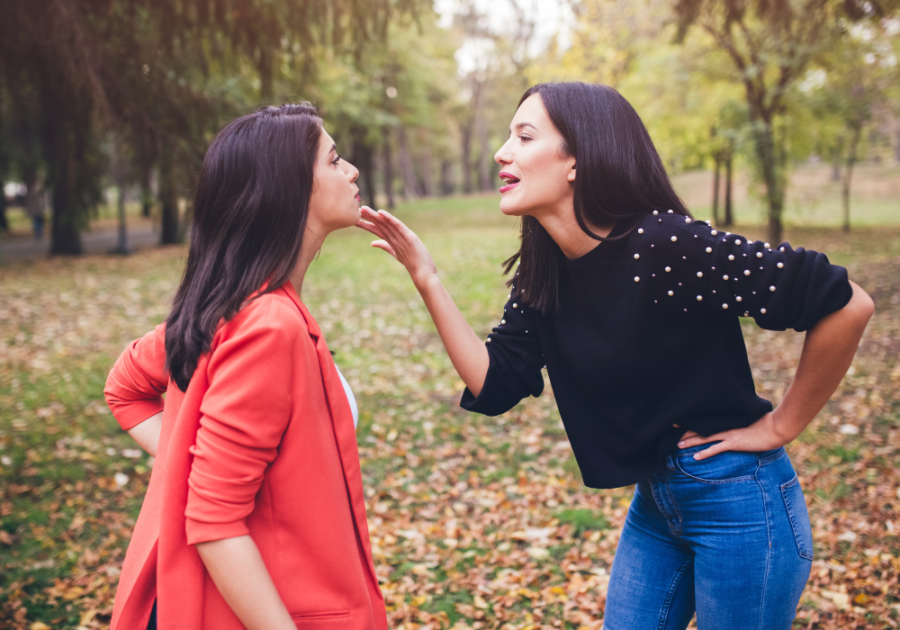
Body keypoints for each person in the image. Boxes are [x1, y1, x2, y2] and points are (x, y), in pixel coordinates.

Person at [357, 82, 874, 630]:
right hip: (657, 505)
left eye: (524, 136)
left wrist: (781, 424)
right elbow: (496, 382)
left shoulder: (667, 245)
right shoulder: (546, 271)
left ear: (578, 159)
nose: (501, 152)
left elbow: (846, 304)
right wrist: (427, 278)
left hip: (740, 503)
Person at [104, 103, 386, 630]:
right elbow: (213, 521)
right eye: (334, 160)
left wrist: (187, 467)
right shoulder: (266, 325)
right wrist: (192, 474)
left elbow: (124, 386)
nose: (350, 172)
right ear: (289, 190)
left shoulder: (235, 307)